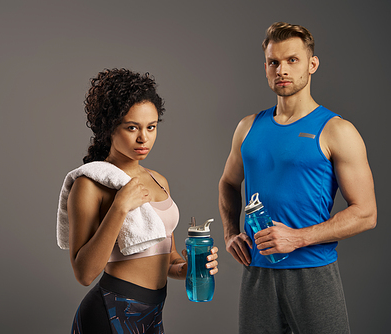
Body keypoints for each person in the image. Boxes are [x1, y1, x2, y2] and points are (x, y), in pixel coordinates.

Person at [218, 22, 377, 333]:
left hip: (312, 272)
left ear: (312, 64)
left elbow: (366, 214)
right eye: (274, 62)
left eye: (292, 60)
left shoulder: (336, 130)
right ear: (265, 66)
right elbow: (228, 182)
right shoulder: (248, 127)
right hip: (258, 273)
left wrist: (297, 238)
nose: (282, 70)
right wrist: (229, 233)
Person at [58, 68, 218, 334]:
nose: (144, 138)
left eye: (151, 127)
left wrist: (188, 267)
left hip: (152, 314)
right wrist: (120, 206)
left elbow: (168, 259)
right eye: (132, 127)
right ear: (109, 127)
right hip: (109, 313)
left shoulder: (159, 181)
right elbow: (84, 274)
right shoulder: (90, 184)